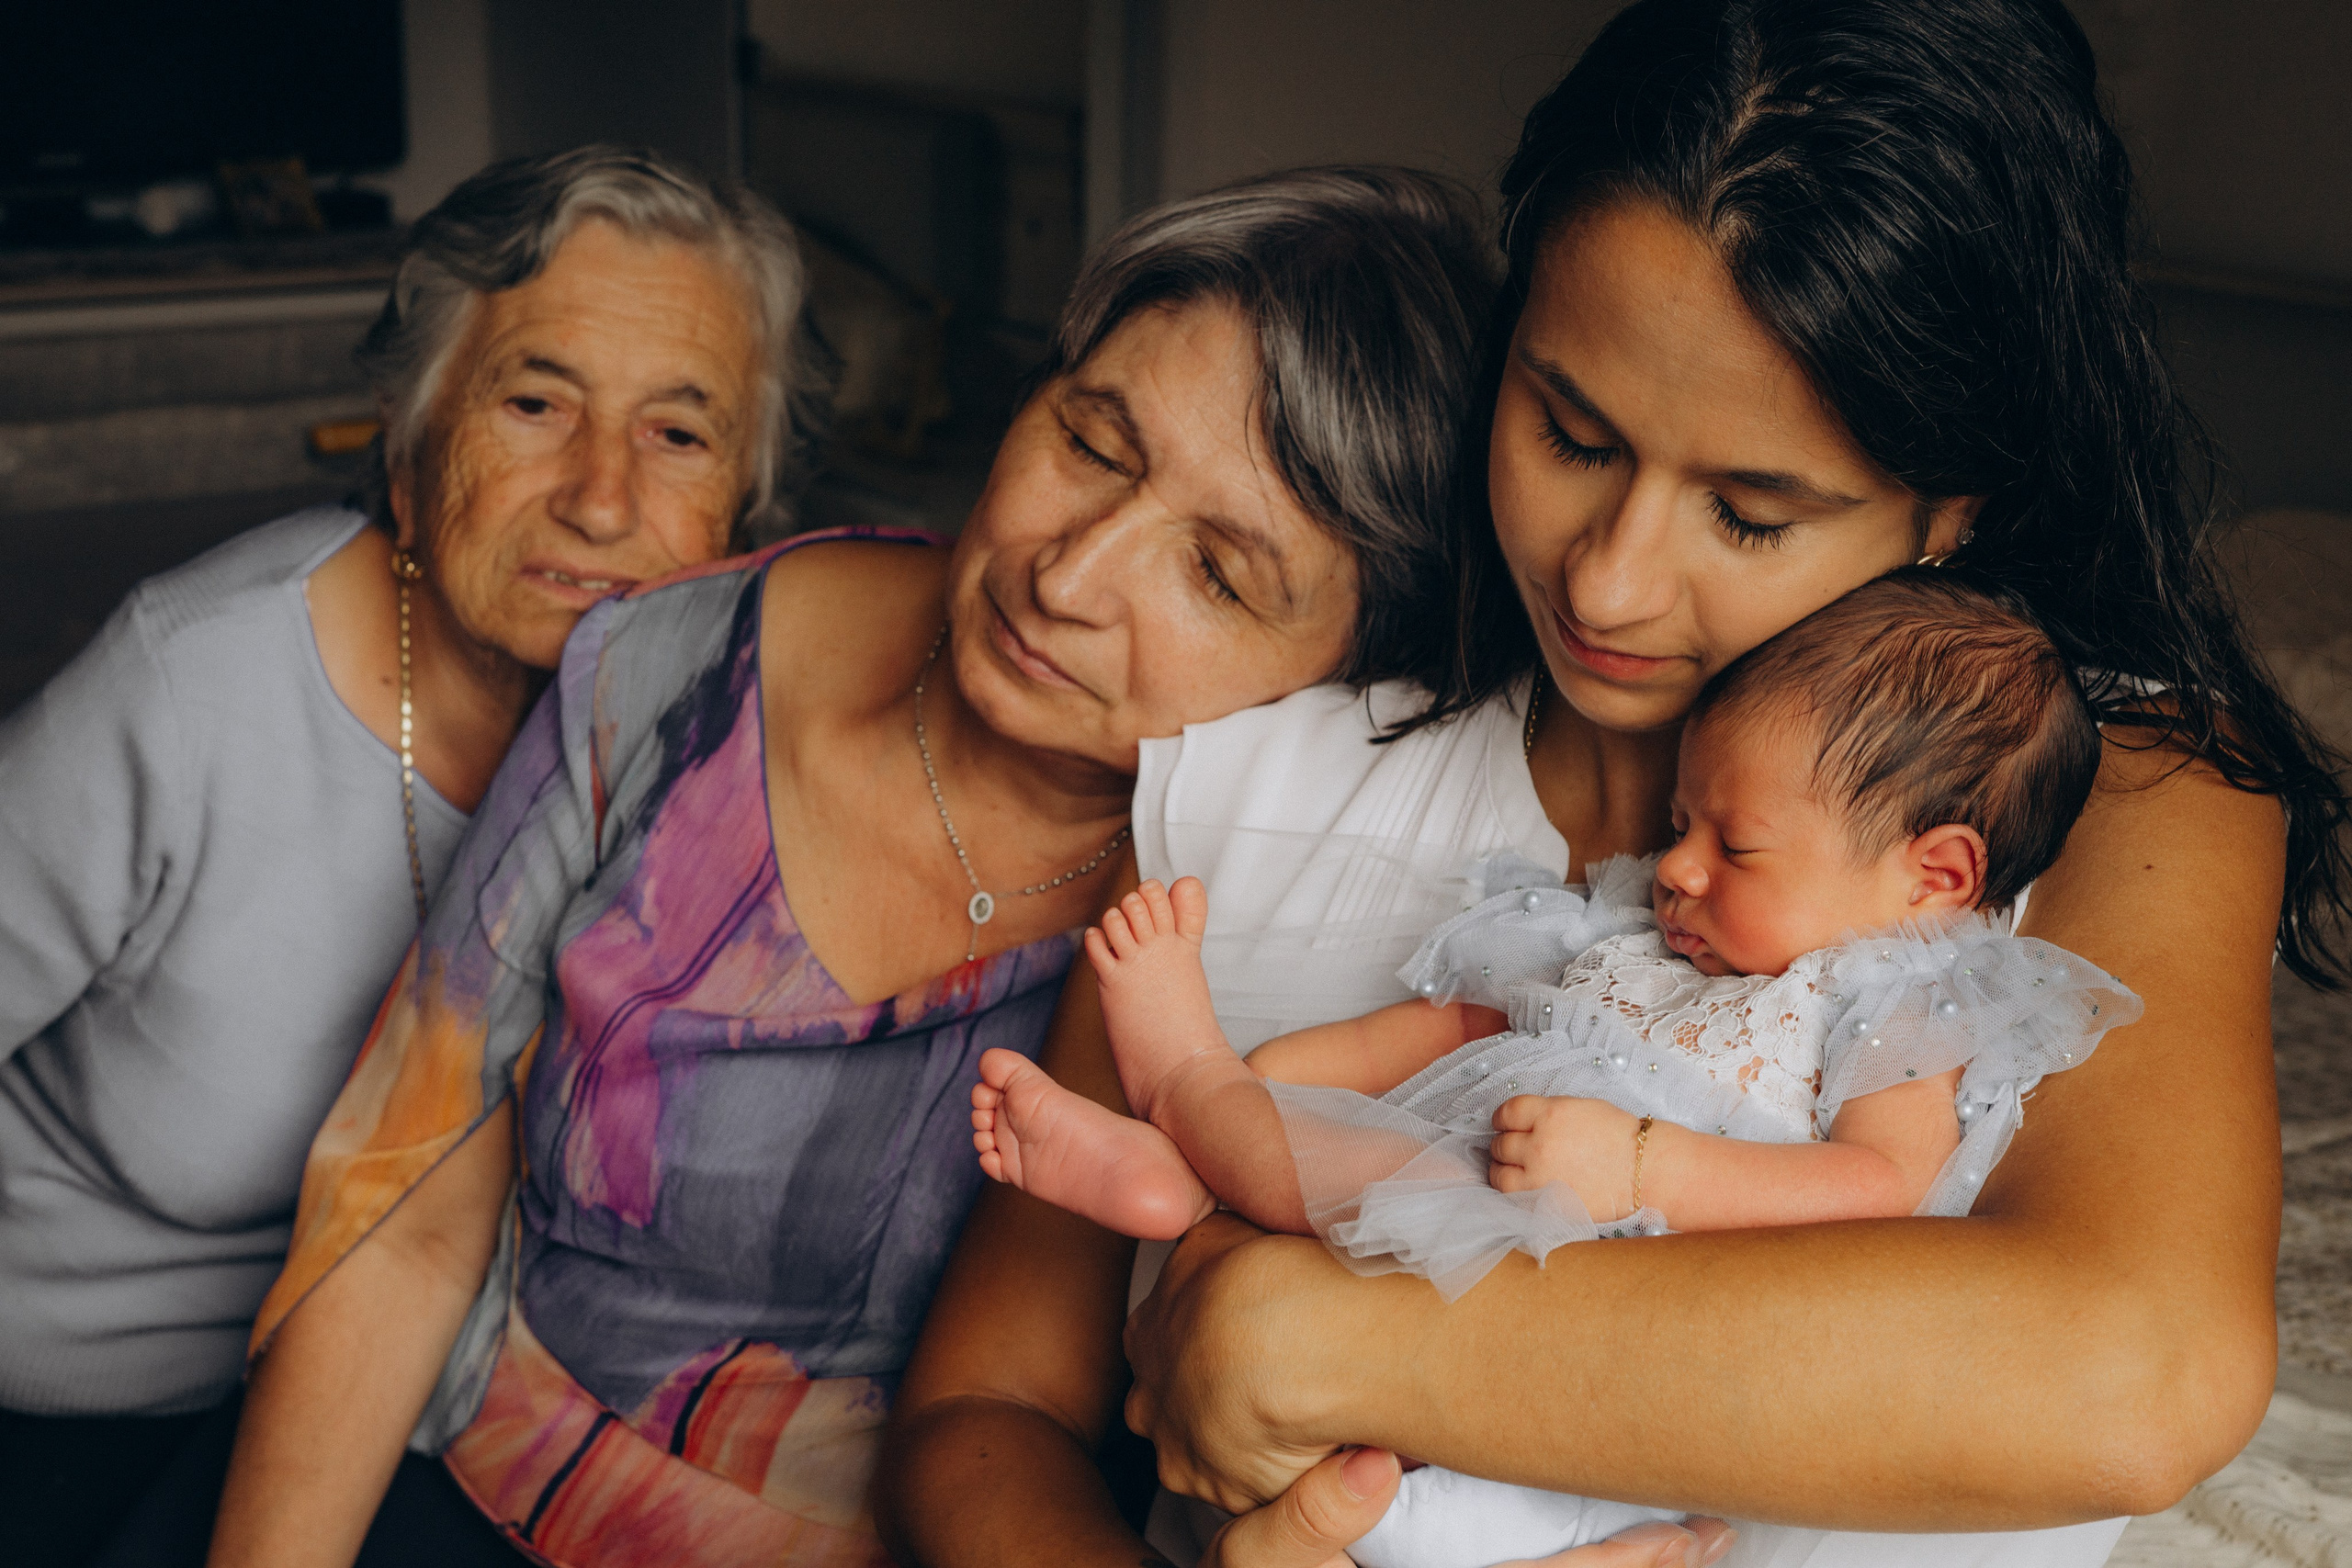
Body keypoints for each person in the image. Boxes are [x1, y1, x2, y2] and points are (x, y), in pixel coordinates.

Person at [883, 2, 2351, 1565]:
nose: (1610, 579)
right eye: (1570, 429)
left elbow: (2135, 1374)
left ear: (1947, 508)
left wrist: (1304, 1335)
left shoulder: (2121, 798)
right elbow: (989, 1416)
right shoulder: (1262, 770)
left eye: (1751, 511)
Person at [194, 168, 1632, 1568]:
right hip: (466, 1485)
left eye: (1216, 572)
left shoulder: (1280, 916)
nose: (1068, 575)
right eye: (1093, 444)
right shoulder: (672, 662)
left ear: (1355, 679)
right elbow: (402, 1212)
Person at [0, 143, 821, 1568]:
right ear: (411, 431)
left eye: (679, 435)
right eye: (534, 401)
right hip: (64, 1390)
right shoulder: (195, 684)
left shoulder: (739, 759)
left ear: (745, 515)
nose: (603, 498)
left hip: (415, 1412)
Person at [973, 572, 2145, 1566]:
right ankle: (1189, 1141)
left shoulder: (1890, 999)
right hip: (1380, 1311)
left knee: (1416, 1276)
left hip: (1600, 1334)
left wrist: (1650, 1166)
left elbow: (1880, 1189)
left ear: (1931, 877)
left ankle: (1188, 1093)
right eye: (1682, 819)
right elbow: (1464, 1024)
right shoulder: (1644, 934)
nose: (1675, 866)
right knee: (1368, 1172)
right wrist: (1290, 1077)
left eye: (1731, 844)